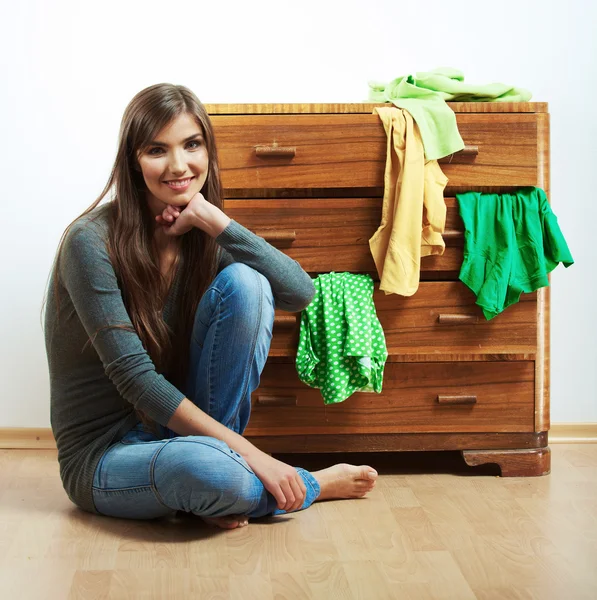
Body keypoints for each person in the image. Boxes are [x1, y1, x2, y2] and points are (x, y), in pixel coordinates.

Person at [44, 83, 378, 529]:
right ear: (133, 160)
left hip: (180, 436)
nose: (178, 165)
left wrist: (215, 221)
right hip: (106, 454)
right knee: (217, 475)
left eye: (192, 144)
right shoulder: (89, 242)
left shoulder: (203, 237)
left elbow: (299, 293)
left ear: (208, 151)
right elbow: (135, 380)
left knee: (249, 283)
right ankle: (303, 483)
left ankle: (218, 493)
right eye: (157, 150)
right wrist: (257, 457)